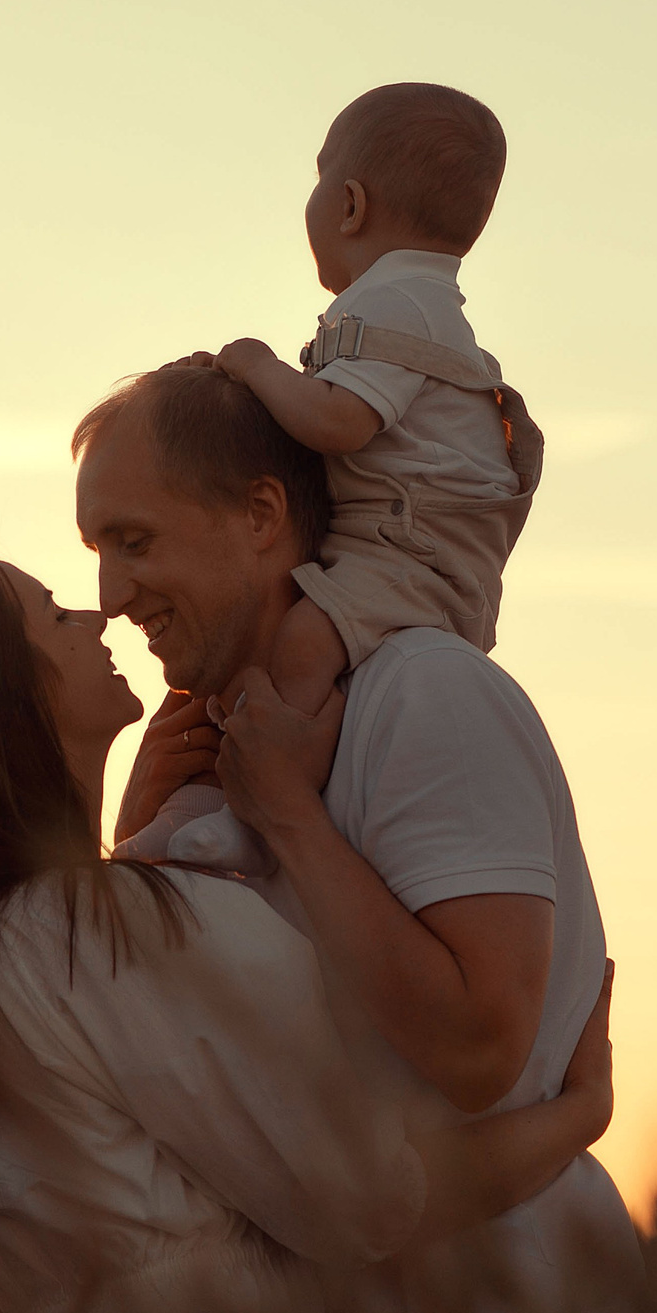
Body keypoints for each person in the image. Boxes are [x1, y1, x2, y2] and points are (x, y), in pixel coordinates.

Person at [0, 541, 612, 1313]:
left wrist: (132, 857)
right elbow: (377, 1197)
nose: (96, 612)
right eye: (54, 614)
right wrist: (578, 1116)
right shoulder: (87, 932)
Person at [77, 366, 641, 1313]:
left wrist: (290, 819)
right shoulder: (219, 764)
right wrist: (139, 837)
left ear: (260, 515)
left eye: (135, 541)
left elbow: (478, 1046)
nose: (112, 598)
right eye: (98, 553)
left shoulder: (423, 699)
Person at [123, 82, 543, 877]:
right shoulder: (413, 302)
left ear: (349, 204)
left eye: (317, 179)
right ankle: (197, 817)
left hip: (409, 551)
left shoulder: (398, 303)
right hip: (401, 539)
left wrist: (254, 361)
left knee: (303, 648)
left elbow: (339, 423)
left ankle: (264, 812)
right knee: (263, 665)